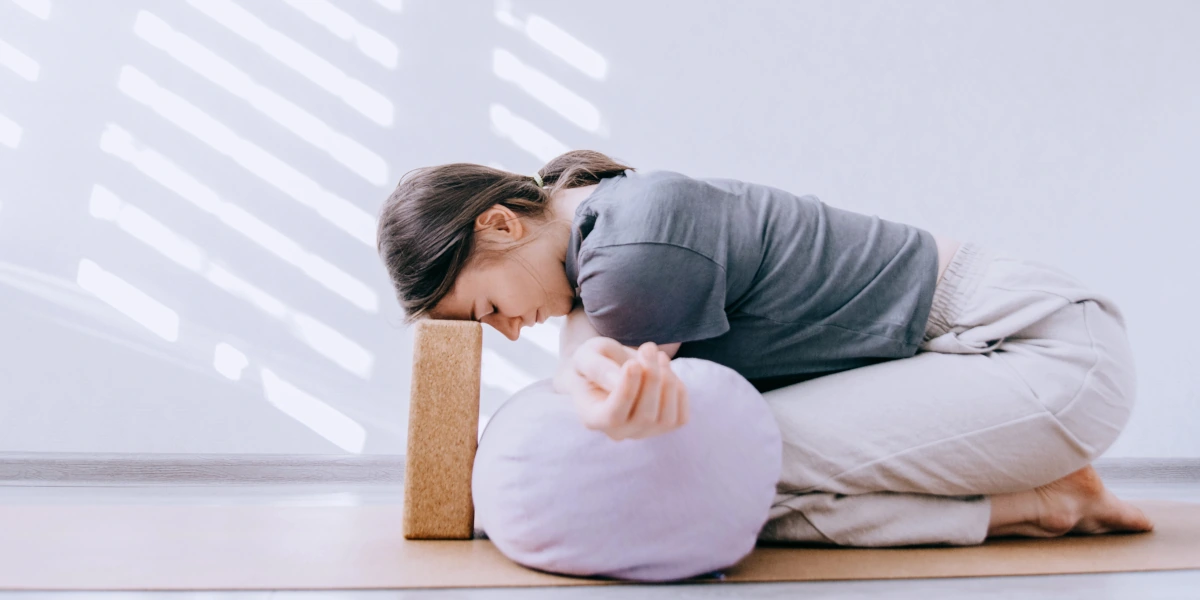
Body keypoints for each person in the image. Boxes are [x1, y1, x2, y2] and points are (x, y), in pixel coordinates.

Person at [375, 149, 1154, 548]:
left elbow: (579, 402)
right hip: (973, 354)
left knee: (727, 474)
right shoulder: (605, 234)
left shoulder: (632, 248)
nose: (510, 329)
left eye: (490, 309)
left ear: (502, 225)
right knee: (713, 462)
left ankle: (1036, 506)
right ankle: (1054, 495)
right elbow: (579, 368)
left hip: (1041, 350)